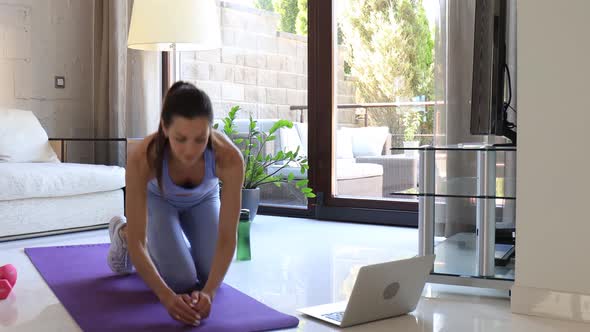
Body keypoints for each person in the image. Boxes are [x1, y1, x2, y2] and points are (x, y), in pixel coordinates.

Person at [107, 81, 244, 326]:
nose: (190, 151)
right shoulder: (142, 157)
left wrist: (209, 293)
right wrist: (166, 297)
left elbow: (227, 237)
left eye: (200, 139)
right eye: (180, 139)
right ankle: (122, 231)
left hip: (203, 200)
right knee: (181, 281)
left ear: (210, 131)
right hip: (159, 201)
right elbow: (140, 243)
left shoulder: (229, 158)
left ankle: (174, 253)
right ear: (165, 128)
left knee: (208, 275)